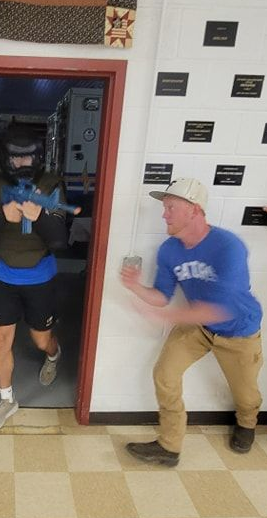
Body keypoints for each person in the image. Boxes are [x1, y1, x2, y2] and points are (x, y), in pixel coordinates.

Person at [121, 177, 263, 467]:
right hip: (198, 326)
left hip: (239, 329)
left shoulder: (228, 246)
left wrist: (166, 316)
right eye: (164, 207)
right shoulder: (169, 250)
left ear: (194, 210)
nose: (164, 213)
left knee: (246, 394)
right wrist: (135, 287)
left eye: (171, 206)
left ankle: (247, 423)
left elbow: (221, 309)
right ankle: (169, 447)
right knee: (165, 373)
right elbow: (163, 295)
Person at [0, 125, 72, 431]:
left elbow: (61, 238)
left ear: (37, 157)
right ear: (5, 158)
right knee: (2, 339)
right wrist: (1, 214)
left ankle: (54, 354)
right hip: (5, 274)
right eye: (15, 159)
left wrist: (41, 217)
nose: (22, 165)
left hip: (40, 275)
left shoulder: (52, 183)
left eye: (28, 159)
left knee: (40, 340)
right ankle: (7, 399)